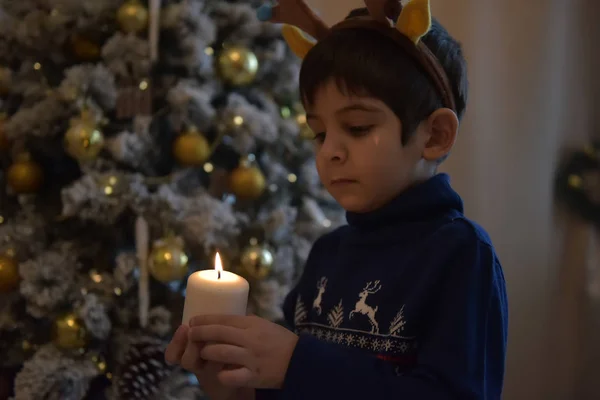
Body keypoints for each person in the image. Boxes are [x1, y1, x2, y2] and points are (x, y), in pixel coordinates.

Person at [165, 1, 508, 399]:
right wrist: (228, 381)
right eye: (320, 133)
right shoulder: (328, 253)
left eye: (358, 127)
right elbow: (287, 386)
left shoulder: (461, 254)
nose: (330, 151)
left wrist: (297, 363)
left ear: (433, 136)